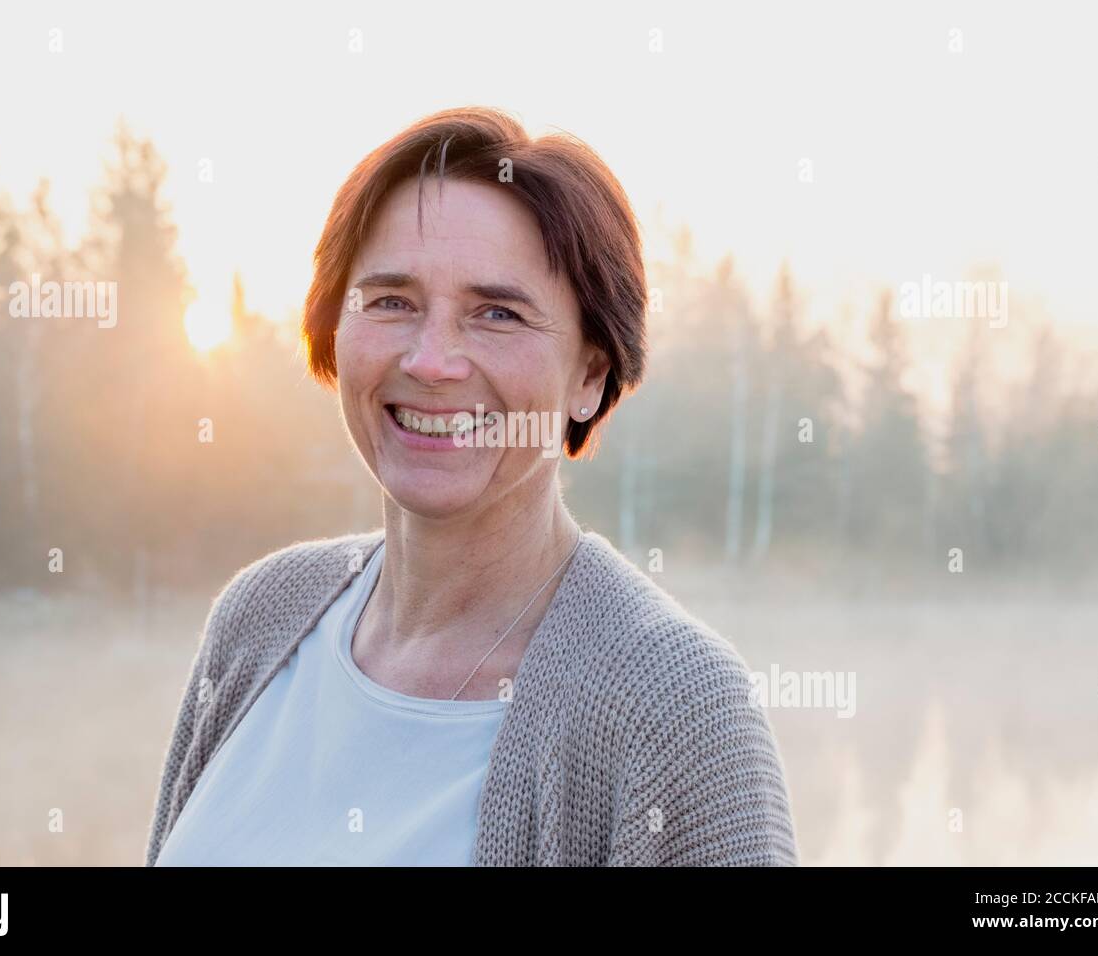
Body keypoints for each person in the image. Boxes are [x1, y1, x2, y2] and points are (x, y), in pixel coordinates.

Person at [146, 106, 798, 866]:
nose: (431, 361)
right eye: (392, 301)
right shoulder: (260, 620)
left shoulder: (678, 710)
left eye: (497, 313)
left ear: (590, 374)